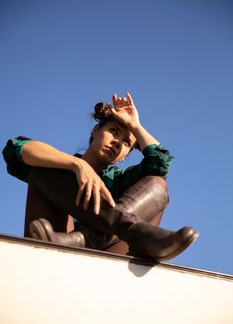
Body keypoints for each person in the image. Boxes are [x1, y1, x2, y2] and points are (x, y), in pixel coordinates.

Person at [2, 92, 199, 261]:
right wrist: (77, 165)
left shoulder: (120, 180)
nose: (117, 142)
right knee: (44, 166)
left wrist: (136, 126)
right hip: (49, 241)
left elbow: (160, 164)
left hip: (106, 256)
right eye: (113, 131)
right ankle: (131, 231)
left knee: (158, 183)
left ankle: (83, 240)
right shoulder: (62, 169)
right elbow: (14, 150)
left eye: (125, 143)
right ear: (95, 130)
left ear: (123, 157)